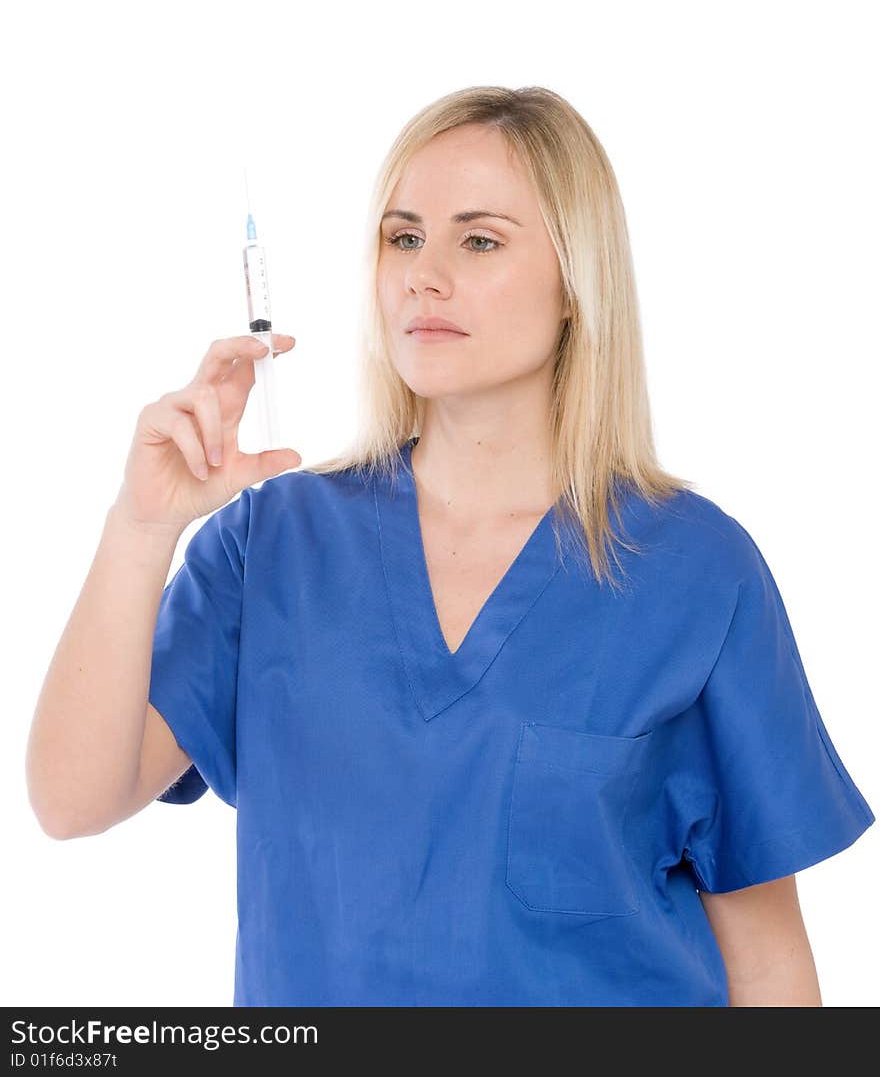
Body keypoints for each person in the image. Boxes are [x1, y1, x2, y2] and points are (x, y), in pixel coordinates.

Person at [26, 85, 874, 1007]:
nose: (422, 275)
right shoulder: (272, 546)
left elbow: (767, 962)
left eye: (479, 240)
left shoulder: (694, 570)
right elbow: (70, 802)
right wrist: (142, 525)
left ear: (574, 285)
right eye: (402, 237)